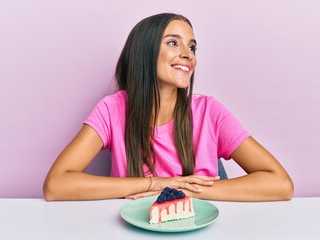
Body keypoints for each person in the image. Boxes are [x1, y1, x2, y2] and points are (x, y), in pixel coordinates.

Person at [43, 13, 293, 202]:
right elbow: (56, 185)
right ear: (145, 52)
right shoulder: (112, 110)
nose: (188, 54)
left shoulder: (209, 112)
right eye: (174, 43)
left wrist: (183, 190)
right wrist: (155, 185)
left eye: (192, 47)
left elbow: (281, 184)